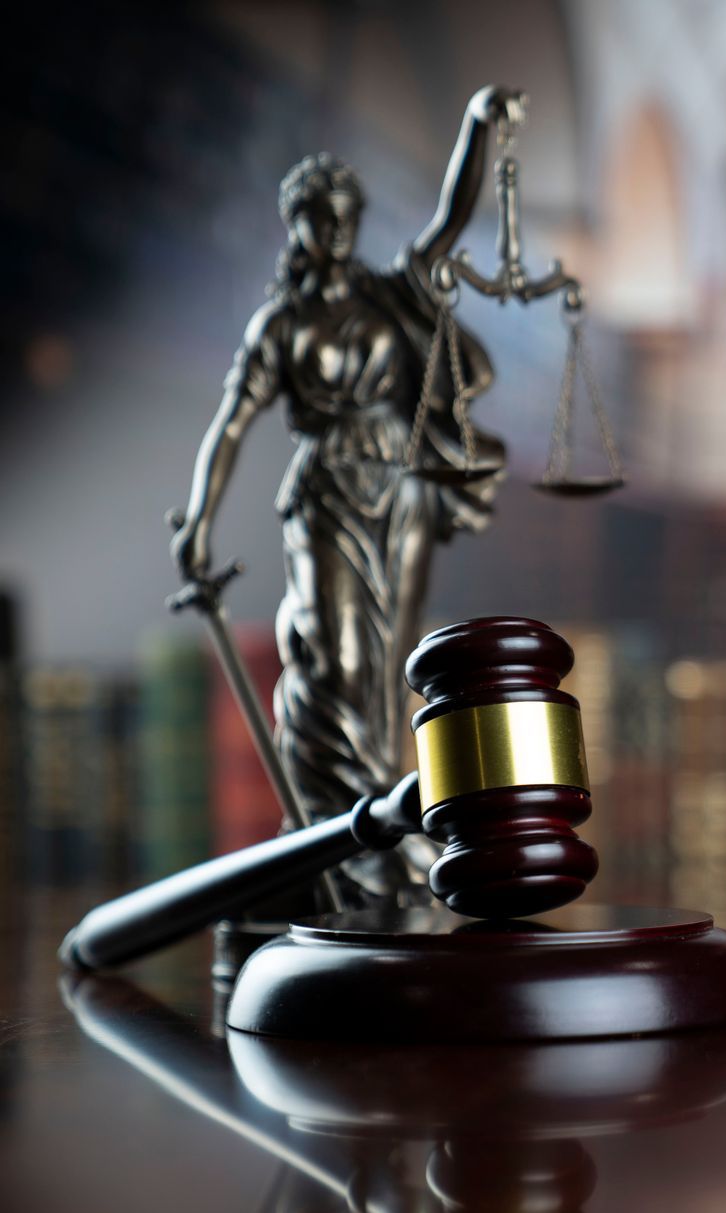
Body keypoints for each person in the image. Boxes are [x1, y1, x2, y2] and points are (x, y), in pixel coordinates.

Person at [170, 86, 523, 901]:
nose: (331, 233)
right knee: (336, 659)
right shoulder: (280, 326)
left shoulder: (387, 295)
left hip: (397, 494)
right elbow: (232, 423)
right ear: (295, 225)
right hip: (328, 497)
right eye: (317, 219)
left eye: (343, 218)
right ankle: (341, 840)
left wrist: (475, 126)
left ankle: (374, 841)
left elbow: (449, 220)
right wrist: (200, 518)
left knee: (388, 669)